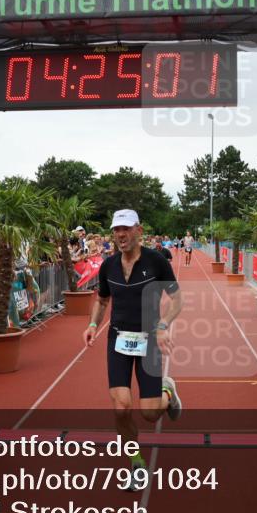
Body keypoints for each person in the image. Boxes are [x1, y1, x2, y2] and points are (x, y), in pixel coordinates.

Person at [83, 209, 183, 491]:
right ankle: (136, 463)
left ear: (138, 230)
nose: (120, 235)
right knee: (121, 408)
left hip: (149, 340)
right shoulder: (108, 266)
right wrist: (92, 324)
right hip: (118, 341)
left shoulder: (156, 261)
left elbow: (177, 300)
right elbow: (102, 301)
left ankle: (167, 391)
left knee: (150, 413)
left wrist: (163, 325)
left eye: (126, 229)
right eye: (116, 230)